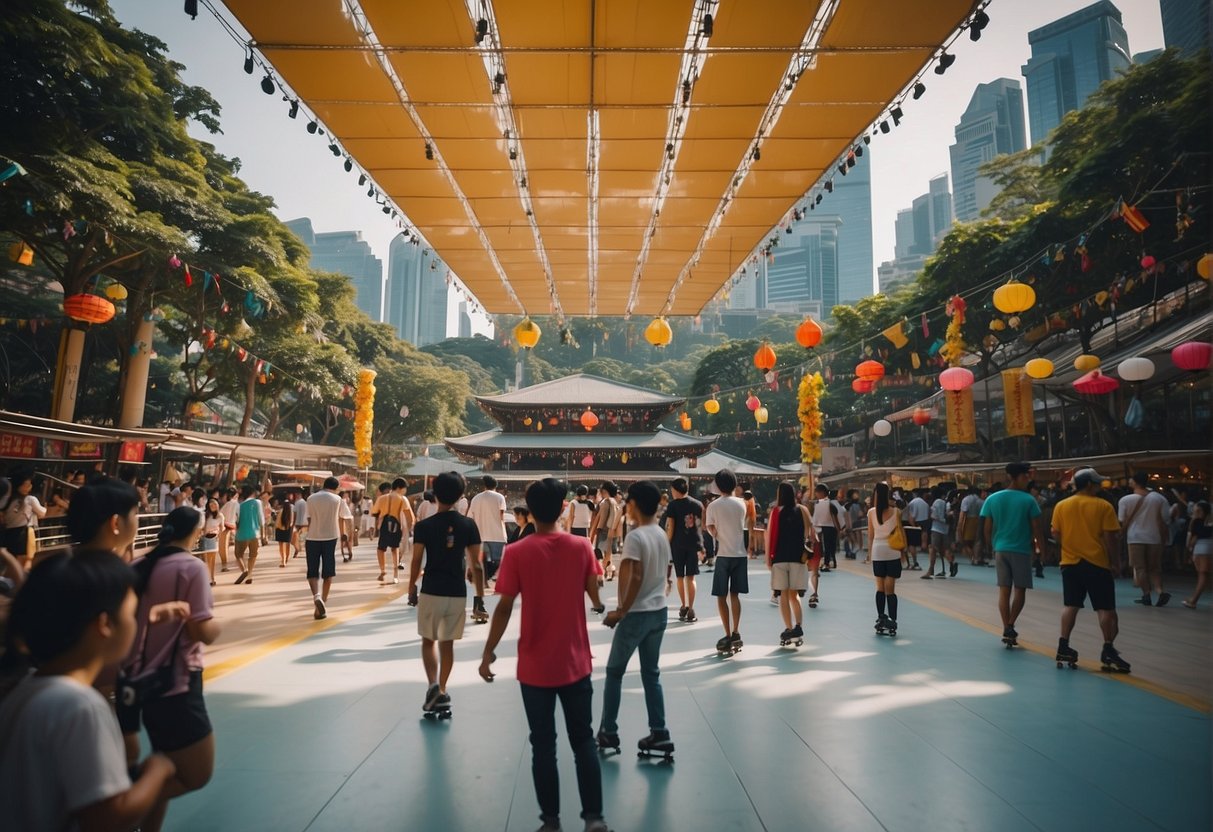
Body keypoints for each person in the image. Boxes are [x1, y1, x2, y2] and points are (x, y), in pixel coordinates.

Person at [0, 551, 178, 831]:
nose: (136, 622)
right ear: (105, 624)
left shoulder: (23, 690)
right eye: (132, 613)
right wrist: (158, 770)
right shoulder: (80, 706)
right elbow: (109, 818)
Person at [479, 478, 608, 832]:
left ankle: (551, 821)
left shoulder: (517, 552)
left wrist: (488, 652)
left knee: (543, 745)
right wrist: (598, 604)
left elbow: (504, 607)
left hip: (534, 667)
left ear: (529, 511)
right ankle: (594, 819)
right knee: (583, 741)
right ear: (565, 508)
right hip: (576, 662)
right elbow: (593, 590)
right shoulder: (581, 546)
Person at [117, 507, 221, 832]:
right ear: (198, 530)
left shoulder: (138, 565)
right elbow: (200, 631)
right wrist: (218, 626)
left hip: (133, 683)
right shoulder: (192, 567)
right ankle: (114, 815)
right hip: (175, 684)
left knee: (161, 757)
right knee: (195, 773)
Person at [597, 480, 673, 759]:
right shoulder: (660, 534)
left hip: (637, 613)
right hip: (659, 612)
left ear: (635, 504)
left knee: (615, 672)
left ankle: (608, 730)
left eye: (628, 502)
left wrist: (620, 611)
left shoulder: (636, 537)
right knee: (651, 674)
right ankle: (660, 732)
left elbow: (634, 576)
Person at [408, 471, 483, 714]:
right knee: (447, 644)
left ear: (434, 493)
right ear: (461, 495)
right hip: (457, 591)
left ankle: (432, 685)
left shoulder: (424, 526)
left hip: (431, 589)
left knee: (428, 640)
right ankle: (442, 689)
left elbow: (417, 561)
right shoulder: (469, 525)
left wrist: (411, 588)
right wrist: (479, 598)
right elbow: (477, 565)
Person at [1051, 468, 1129, 672]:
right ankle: (1108, 649)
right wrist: (1116, 562)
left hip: (1069, 563)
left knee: (1071, 605)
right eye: (1097, 483)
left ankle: (1063, 646)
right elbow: (1111, 538)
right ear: (1088, 484)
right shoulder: (1103, 506)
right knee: (1106, 609)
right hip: (1097, 563)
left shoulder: (1061, 505)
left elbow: (1055, 532)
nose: (1099, 486)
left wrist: (1069, 545)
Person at [980, 463, 1045, 647]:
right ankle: (1010, 624)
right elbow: (1037, 528)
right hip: (1021, 550)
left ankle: (1007, 628)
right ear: (1015, 477)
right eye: (1025, 476)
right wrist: (1042, 550)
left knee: (1004, 590)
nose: (1028, 480)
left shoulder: (993, 499)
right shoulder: (1029, 500)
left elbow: (987, 526)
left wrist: (991, 545)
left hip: (1000, 549)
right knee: (1020, 589)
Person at [705, 468, 748, 653]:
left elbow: (710, 528)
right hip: (740, 555)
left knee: (721, 596)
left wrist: (717, 533)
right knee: (735, 595)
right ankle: (737, 632)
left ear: (718, 485)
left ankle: (727, 633)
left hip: (723, 555)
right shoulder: (742, 504)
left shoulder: (713, 506)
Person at [766, 481, 813, 644]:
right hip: (798, 558)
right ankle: (798, 625)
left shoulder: (775, 512)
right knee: (794, 595)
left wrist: (767, 558)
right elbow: (811, 534)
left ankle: (788, 628)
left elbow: (769, 535)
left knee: (784, 595)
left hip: (779, 558)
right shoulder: (803, 510)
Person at [1117, 472, 1172, 607]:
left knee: (1140, 568)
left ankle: (1146, 595)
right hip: (1155, 537)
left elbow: (1122, 520)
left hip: (1135, 537)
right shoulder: (1159, 498)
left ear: (1134, 482)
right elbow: (1166, 519)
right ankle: (1160, 591)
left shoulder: (1125, 500)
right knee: (1155, 568)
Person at [467, 475, 507, 621]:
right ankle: (482, 590)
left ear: (484, 485)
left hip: (479, 535)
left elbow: (470, 517)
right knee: (495, 563)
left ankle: (480, 592)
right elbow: (501, 516)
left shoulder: (476, 498)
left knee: (480, 565)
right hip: (496, 535)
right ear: (495, 485)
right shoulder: (499, 497)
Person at [664, 477, 703, 623]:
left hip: (678, 544)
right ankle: (692, 608)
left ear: (675, 490)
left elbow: (671, 527)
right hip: (693, 543)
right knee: (691, 577)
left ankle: (684, 606)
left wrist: (666, 542)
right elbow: (700, 526)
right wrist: (702, 545)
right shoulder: (698, 504)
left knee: (680, 576)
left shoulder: (673, 505)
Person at [303, 478, 343, 620]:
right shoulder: (337, 499)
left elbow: (309, 519)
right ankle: (322, 603)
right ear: (336, 487)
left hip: (312, 537)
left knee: (312, 572)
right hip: (331, 537)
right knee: (328, 572)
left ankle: (316, 596)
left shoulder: (311, 498)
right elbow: (341, 518)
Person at [868, 482, 903, 635]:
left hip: (877, 551)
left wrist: (870, 555)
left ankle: (881, 617)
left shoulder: (871, 512)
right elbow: (900, 533)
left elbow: (870, 536)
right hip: (893, 551)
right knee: (891, 589)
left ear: (875, 494)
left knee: (880, 587)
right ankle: (893, 620)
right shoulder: (896, 512)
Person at [2, 469, 47, 569]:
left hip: (8, 533)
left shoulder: (7, 500)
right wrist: (45, 507)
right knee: (25, 562)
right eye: (27, 485)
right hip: (23, 534)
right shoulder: (30, 499)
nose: (29, 487)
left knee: (10, 563)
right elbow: (42, 513)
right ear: (20, 486)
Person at [373, 479, 412, 584]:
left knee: (381, 549)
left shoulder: (381, 498)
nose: (405, 491)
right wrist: (408, 530)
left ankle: (383, 570)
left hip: (384, 527)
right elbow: (410, 517)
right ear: (400, 488)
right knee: (395, 549)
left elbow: (374, 512)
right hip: (397, 527)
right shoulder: (403, 499)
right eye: (404, 488)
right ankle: (395, 575)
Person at [1182, 501, 1212, 609]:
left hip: (1201, 548)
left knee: (1203, 575)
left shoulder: (1196, 522)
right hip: (1206, 548)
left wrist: (1189, 550)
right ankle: (1194, 599)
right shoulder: (1206, 523)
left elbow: (1192, 538)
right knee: (1205, 575)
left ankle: (1194, 600)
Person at [588, 481, 619, 581]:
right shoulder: (614, 501)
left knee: (599, 554)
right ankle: (610, 569)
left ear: (605, 491)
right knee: (607, 554)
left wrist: (597, 530)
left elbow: (603, 517)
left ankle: (601, 574)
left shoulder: (606, 502)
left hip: (604, 531)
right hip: (611, 531)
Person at [232, 486, 262, 585]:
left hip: (241, 534)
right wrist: (262, 534)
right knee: (253, 555)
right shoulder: (258, 503)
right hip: (255, 534)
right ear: (253, 493)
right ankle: (250, 575)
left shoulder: (239, 505)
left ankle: (244, 570)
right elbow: (261, 519)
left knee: (238, 555)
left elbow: (236, 520)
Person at [926, 486, 957, 578]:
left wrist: (932, 516)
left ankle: (931, 569)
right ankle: (952, 563)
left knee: (933, 549)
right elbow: (948, 514)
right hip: (945, 529)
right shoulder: (946, 503)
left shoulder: (936, 502)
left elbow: (934, 516)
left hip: (936, 528)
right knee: (945, 549)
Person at [958, 487, 986, 566]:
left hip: (968, 521)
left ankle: (973, 558)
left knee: (966, 542)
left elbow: (963, 513)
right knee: (977, 541)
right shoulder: (982, 501)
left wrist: (959, 526)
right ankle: (978, 558)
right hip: (980, 520)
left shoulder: (966, 499)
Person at [200, 499, 223, 586]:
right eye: (211, 505)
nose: (213, 507)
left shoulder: (220, 516)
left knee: (213, 560)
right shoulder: (206, 515)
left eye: (215, 505)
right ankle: (209, 578)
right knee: (208, 560)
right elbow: (203, 527)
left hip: (214, 538)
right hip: (207, 538)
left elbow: (222, 527)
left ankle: (212, 578)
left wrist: (218, 535)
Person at [905, 489, 929, 572]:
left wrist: (914, 526)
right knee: (923, 536)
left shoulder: (912, 503)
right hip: (924, 522)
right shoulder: (925, 503)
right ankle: (923, 549)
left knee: (911, 544)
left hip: (914, 524)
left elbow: (911, 517)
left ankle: (912, 563)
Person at [218, 489, 238, 572]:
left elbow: (220, 514)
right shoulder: (236, 504)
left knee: (223, 547)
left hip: (225, 526)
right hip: (232, 526)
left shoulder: (228, 504)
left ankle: (224, 565)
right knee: (226, 547)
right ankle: (225, 565)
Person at [274, 494, 293, 568]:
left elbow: (278, 522)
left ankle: (283, 560)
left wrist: (277, 527)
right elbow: (291, 522)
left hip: (280, 530)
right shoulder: (290, 512)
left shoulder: (281, 511)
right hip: (288, 529)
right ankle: (287, 558)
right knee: (287, 545)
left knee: (281, 546)